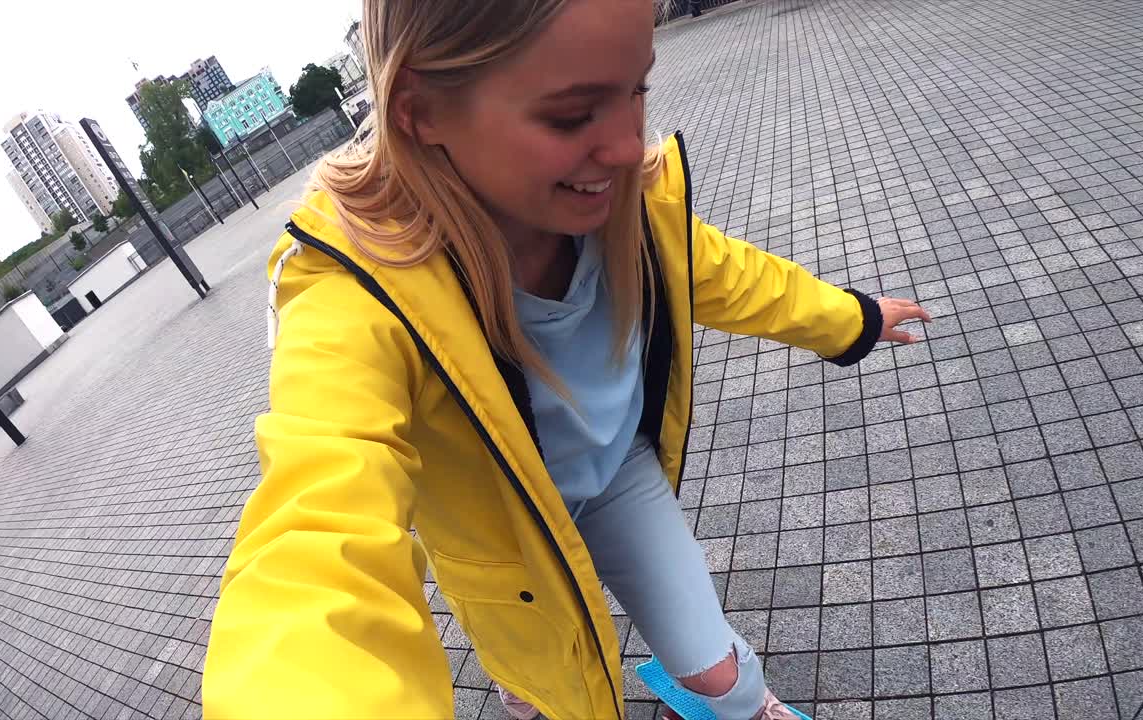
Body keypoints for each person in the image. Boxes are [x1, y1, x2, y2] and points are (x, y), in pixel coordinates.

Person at [202, 0, 931, 718]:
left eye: (636, 88)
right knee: (551, 689)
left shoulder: (631, 208)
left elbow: (722, 273)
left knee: (721, 676)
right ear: (419, 109)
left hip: (618, 477)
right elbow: (315, 531)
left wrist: (853, 320)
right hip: (506, 545)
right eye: (571, 115)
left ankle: (732, 707)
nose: (624, 147)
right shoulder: (357, 286)